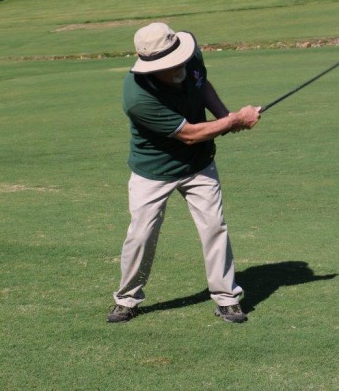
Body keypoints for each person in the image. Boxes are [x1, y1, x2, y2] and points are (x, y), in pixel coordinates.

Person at [107, 22, 261, 324]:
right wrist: (233, 122)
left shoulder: (190, 55)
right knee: (141, 234)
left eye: (178, 59)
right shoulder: (137, 97)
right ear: (151, 68)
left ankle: (227, 298)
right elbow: (189, 134)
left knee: (214, 227)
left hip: (199, 164)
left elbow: (202, 83)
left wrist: (225, 115)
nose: (178, 66)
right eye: (169, 65)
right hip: (154, 171)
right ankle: (127, 298)